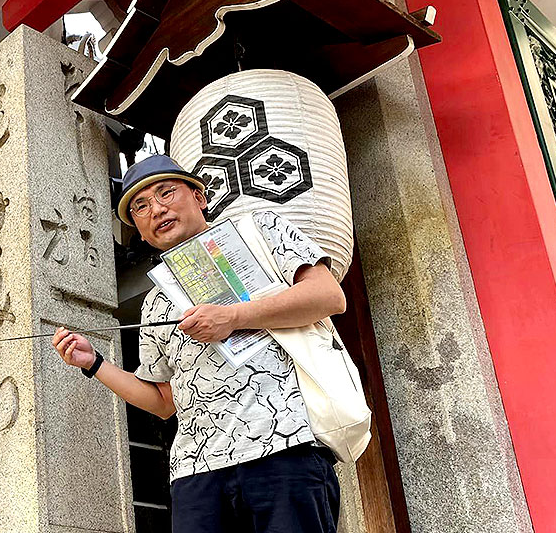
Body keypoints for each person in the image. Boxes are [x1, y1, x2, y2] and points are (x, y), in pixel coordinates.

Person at [52, 155, 346, 532]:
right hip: (195, 472)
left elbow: (328, 296)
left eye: (166, 192)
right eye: (141, 206)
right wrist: (94, 363)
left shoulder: (259, 230)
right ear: (138, 229)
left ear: (199, 196)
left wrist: (233, 317)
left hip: (283, 448)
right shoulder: (154, 302)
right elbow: (163, 402)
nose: (157, 209)